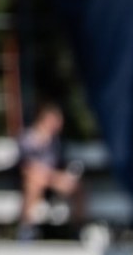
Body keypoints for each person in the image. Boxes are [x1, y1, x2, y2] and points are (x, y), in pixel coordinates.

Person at [15, 102, 82, 241]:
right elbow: (26, 167)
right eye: (57, 120)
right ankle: (26, 228)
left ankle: (78, 228)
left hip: (51, 180)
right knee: (34, 180)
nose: (59, 124)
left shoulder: (56, 142)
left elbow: (60, 165)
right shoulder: (28, 138)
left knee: (77, 186)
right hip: (32, 179)